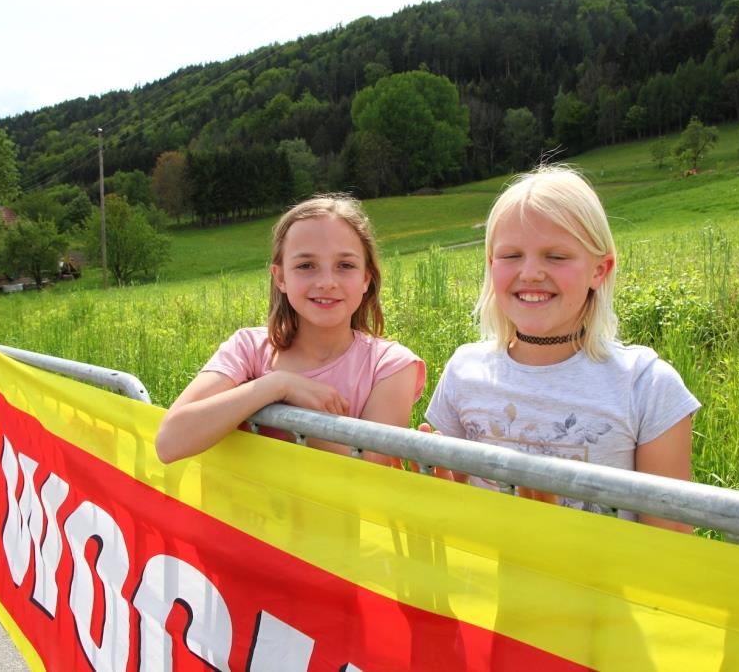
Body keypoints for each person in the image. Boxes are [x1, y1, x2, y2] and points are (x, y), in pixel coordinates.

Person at [423, 166, 699, 532]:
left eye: (556, 256)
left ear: (599, 270)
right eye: (511, 255)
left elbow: (669, 543)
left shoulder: (647, 387)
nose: (530, 273)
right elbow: (448, 504)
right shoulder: (464, 371)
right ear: (491, 265)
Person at [156, 194, 425, 465]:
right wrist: (277, 385)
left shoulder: (390, 366)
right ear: (281, 277)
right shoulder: (247, 349)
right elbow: (169, 442)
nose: (327, 282)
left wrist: (298, 416)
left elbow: (370, 476)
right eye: (306, 266)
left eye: (345, 265)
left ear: (366, 278)